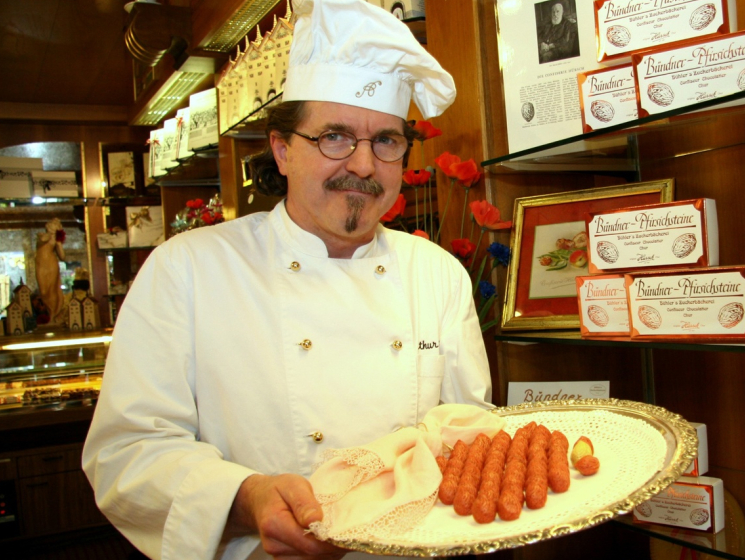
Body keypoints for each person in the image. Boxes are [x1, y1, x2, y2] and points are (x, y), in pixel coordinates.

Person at [82, 1, 492, 559]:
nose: (364, 166)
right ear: (281, 150)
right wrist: (244, 498)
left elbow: (468, 438)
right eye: (335, 137)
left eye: (387, 141)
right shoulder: (188, 270)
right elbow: (126, 452)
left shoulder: (437, 274)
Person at [34, 217, 66, 324]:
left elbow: (62, 257)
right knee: (43, 291)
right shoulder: (42, 236)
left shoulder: (55, 241)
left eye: (55, 224)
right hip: (40, 265)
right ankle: (51, 312)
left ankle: (53, 315)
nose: (52, 226)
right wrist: (50, 236)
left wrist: (59, 243)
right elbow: (42, 240)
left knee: (52, 290)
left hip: (51, 264)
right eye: (51, 224)